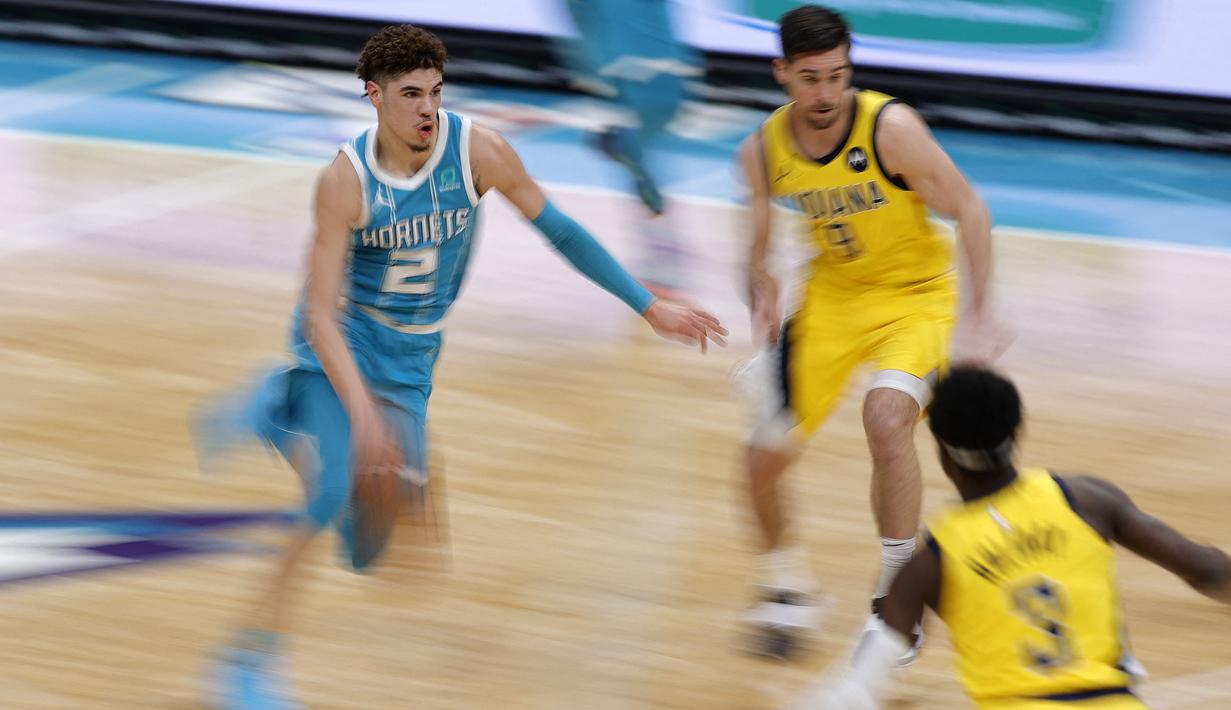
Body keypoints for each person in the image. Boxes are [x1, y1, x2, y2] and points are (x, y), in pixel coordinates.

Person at [194, 24, 727, 708]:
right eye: (410, 94)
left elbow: (559, 228)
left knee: (372, 553)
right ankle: (245, 660)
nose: (426, 109)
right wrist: (362, 419)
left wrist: (647, 304)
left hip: (412, 360)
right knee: (331, 487)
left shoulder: (478, 151)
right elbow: (321, 315)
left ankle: (273, 406)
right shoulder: (344, 182)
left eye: (435, 93)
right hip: (344, 348)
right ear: (374, 97)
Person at [733, 4, 1003, 658]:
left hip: (915, 298)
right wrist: (760, 295)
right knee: (759, 460)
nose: (825, 93)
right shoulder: (763, 148)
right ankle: (785, 585)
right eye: (809, 78)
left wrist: (978, 316)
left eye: (836, 76)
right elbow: (756, 248)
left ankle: (894, 604)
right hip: (831, 300)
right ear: (781, 74)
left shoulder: (891, 130)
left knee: (886, 420)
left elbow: (969, 206)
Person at [795, 365, 1231, 709]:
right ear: (1017, 433)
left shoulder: (928, 562)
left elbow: (861, 687)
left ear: (942, 452)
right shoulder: (1087, 500)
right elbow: (1208, 569)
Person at [553, 0, 701, 298]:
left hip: (647, 74)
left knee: (627, 146)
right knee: (627, 148)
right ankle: (661, 244)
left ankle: (663, 247)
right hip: (629, 73)